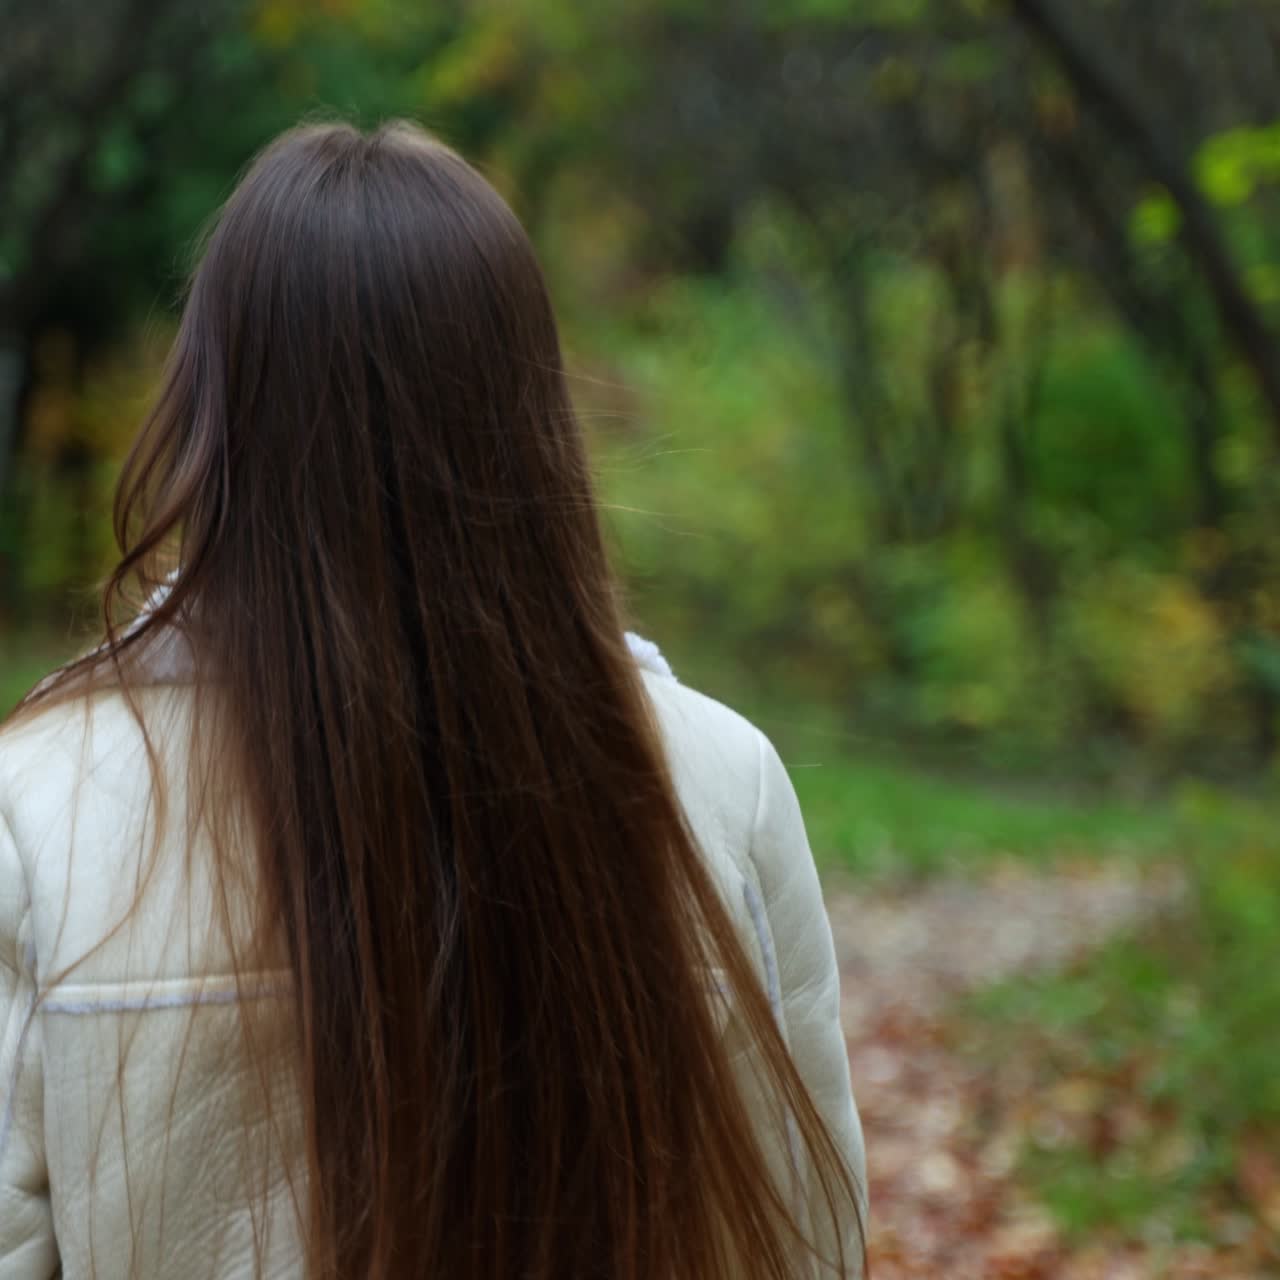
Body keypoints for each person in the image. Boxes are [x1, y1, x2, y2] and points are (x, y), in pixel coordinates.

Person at [0, 121, 865, 1279]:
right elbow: (805, 1246)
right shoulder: (715, 776)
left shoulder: (39, 806)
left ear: (213, 408)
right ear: (527, 418)